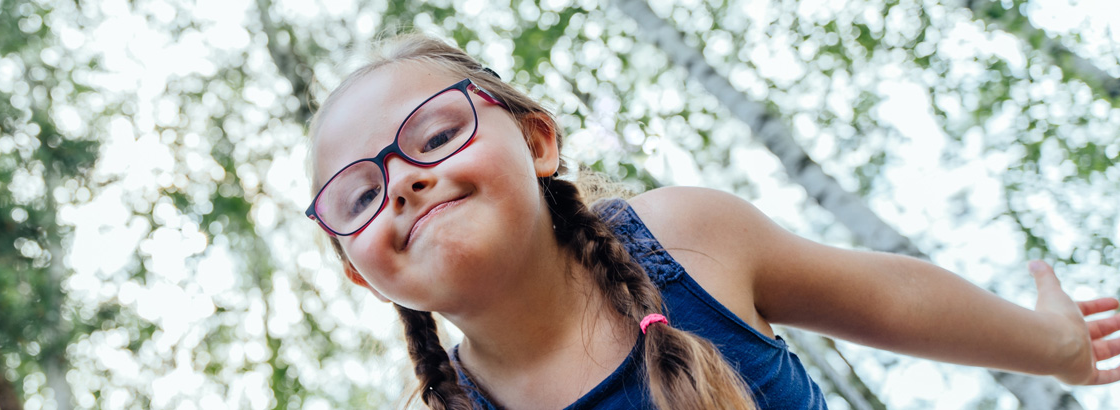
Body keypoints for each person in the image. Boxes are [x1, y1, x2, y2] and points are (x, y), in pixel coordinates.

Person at [302, 34, 1120, 410]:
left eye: (437, 136)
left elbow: (892, 297)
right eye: (358, 197)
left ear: (537, 140)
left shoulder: (684, 240)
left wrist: (1056, 348)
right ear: (358, 271)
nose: (402, 180)